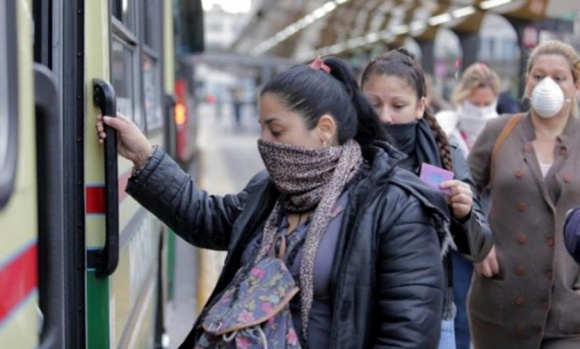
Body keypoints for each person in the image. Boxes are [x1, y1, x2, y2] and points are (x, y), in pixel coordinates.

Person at [97, 56, 451, 348]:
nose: (263, 141)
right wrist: (143, 154)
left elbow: (408, 333)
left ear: (325, 129)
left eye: (276, 130)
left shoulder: (394, 205)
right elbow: (205, 219)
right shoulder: (270, 192)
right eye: (262, 128)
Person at [360, 48, 493, 349]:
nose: (385, 117)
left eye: (398, 105)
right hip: (354, 310)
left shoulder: (447, 159)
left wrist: (465, 215)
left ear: (420, 107)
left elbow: (481, 245)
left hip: (430, 317)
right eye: (373, 104)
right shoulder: (344, 154)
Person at [468, 40, 580, 349]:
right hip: (501, 304)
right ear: (527, 81)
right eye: (538, 75)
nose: (547, 84)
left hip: (569, 311)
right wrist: (478, 243)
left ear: (575, 85)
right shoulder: (498, 131)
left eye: (559, 78)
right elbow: (462, 193)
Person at [432, 61, 502, 349]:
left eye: (487, 103)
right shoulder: (446, 130)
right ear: (463, 98)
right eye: (475, 103)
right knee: (459, 309)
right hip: (458, 234)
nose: (482, 110)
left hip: (496, 237)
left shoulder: (506, 131)